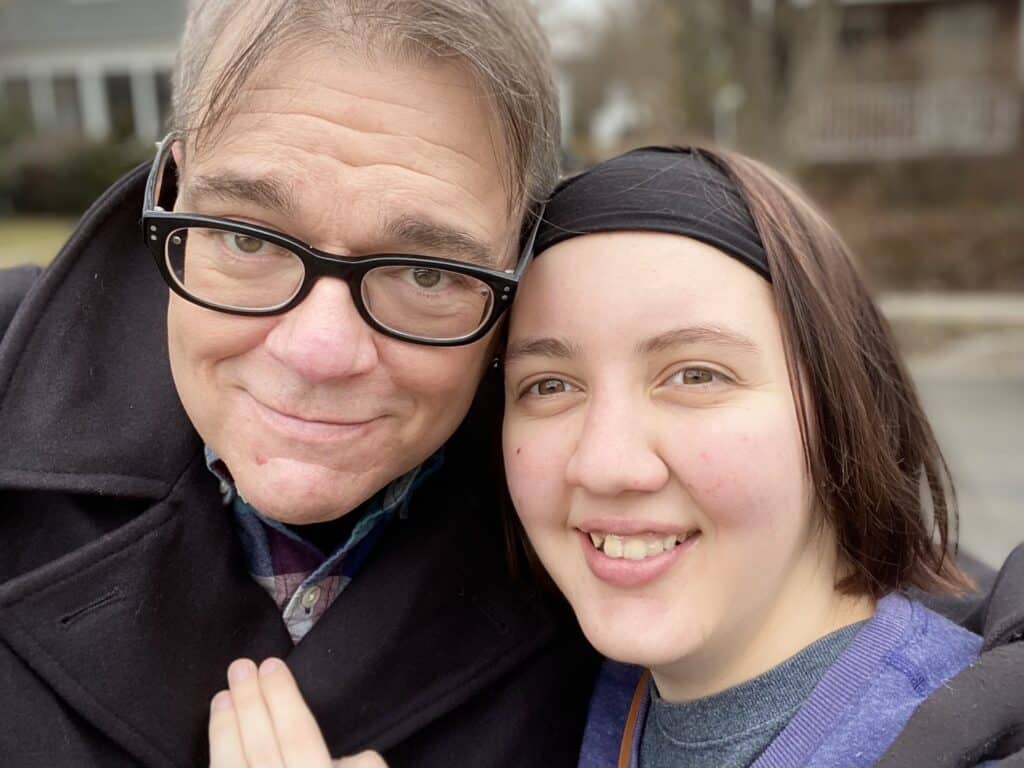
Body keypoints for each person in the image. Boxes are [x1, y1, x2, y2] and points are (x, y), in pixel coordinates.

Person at [201, 145, 1024, 768]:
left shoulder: (958, 737)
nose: (607, 463)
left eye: (696, 374)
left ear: (840, 408)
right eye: (550, 385)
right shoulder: (602, 690)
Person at [0, 1, 598, 766]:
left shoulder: (621, 534)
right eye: (250, 237)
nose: (320, 351)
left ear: (521, 256)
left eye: (424, 271)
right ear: (173, 187)